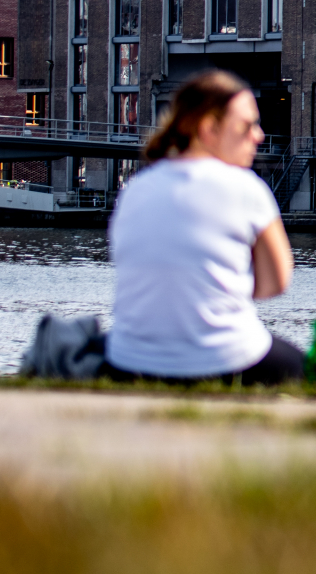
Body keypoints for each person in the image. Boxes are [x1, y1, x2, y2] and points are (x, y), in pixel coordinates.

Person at [101, 70, 304, 386]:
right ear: (210, 128)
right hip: (225, 359)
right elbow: (277, 282)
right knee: (305, 367)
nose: (259, 135)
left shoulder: (135, 190)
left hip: (130, 360)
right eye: (248, 125)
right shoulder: (245, 188)